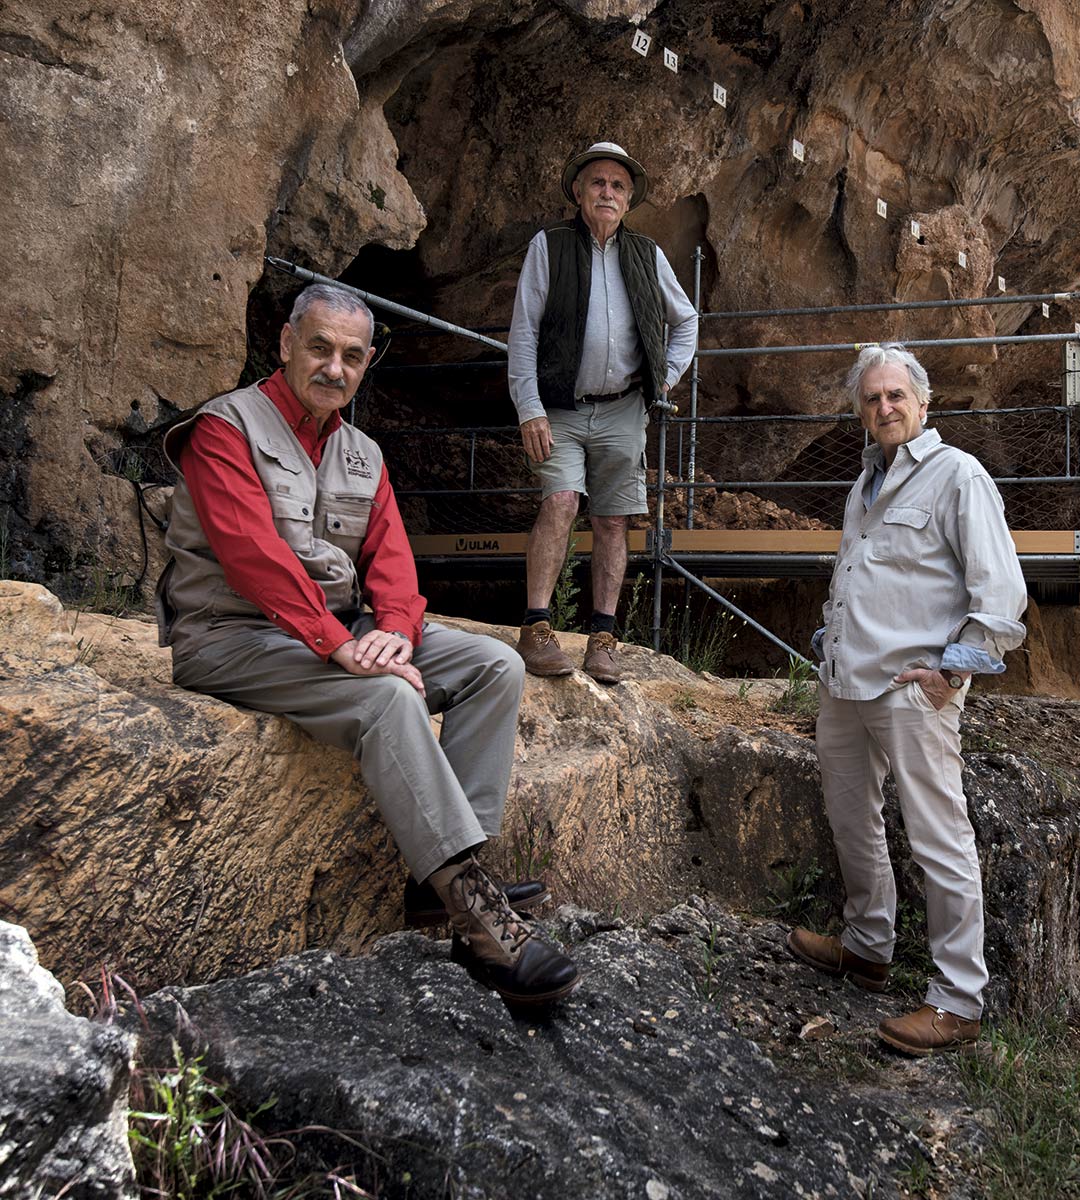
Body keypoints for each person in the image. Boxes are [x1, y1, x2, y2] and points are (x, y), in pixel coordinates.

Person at [155, 283, 579, 1007]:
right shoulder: (224, 429)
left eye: (352, 356)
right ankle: (480, 919)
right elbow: (251, 555)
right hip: (232, 636)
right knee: (386, 698)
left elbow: (393, 564)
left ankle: (442, 878)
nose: (335, 368)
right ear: (286, 343)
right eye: (319, 348)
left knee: (495, 665)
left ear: (367, 362)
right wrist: (339, 644)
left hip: (337, 634)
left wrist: (394, 633)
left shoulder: (363, 452)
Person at [788, 343, 1027, 1055]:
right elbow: (861, 576)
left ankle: (957, 1002)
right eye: (871, 399)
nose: (884, 408)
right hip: (845, 684)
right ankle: (867, 948)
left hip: (912, 689)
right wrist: (830, 635)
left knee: (939, 838)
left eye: (896, 395)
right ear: (860, 411)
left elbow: (1001, 590)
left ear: (923, 404)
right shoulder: (861, 485)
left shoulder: (958, 476)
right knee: (851, 820)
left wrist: (953, 673)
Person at [507, 141, 698, 683]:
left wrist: (666, 375)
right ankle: (537, 628)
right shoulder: (550, 246)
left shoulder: (646, 254)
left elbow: (686, 321)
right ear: (578, 191)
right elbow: (524, 331)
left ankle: (603, 638)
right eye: (597, 183)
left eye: (618, 185)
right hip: (561, 406)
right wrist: (529, 407)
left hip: (623, 409)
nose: (607, 193)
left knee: (613, 520)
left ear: (629, 197)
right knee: (561, 501)